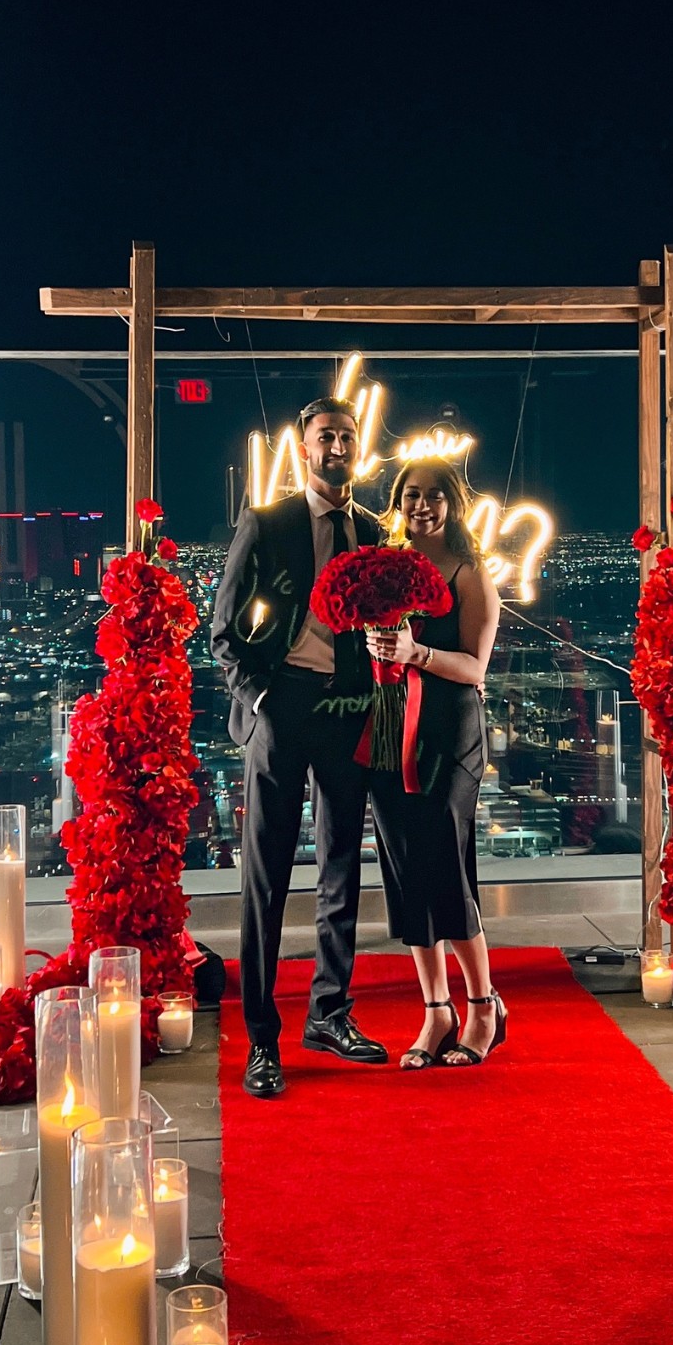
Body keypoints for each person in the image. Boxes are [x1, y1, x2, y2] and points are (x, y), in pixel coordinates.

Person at [210, 396, 388, 1098]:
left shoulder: (374, 531)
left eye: (346, 436)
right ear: (304, 447)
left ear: (356, 446)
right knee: (267, 878)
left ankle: (329, 1014)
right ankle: (262, 1039)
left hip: (348, 714)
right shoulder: (269, 521)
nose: (337, 446)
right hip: (281, 709)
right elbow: (222, 630)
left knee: (342, 868)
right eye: (325, 437)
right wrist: (259, 703)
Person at [364, 458, 506, 1069]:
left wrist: (415, 650)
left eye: (434, 495)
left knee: (446, 865)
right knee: (404, 871)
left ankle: (484, 1007)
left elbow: (475, 670)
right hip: (390, 728)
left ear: (454, 501)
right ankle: (435, 1012)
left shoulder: (470, 574)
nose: (421, 505)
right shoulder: (388, 570)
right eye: (410, 495)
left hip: (450, 734)